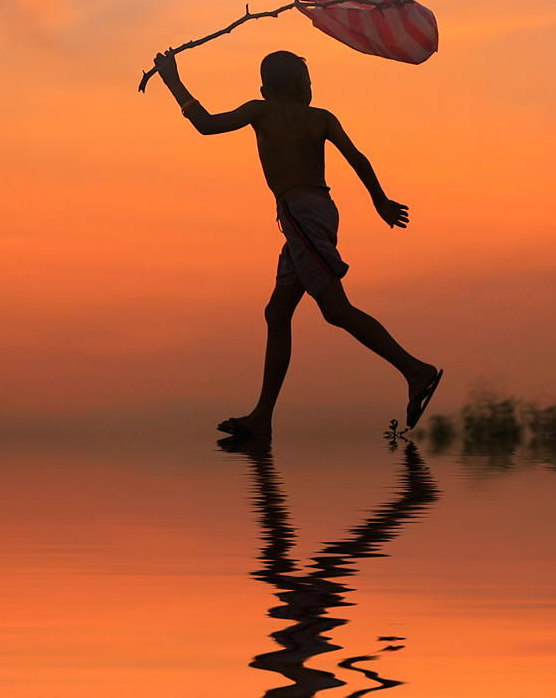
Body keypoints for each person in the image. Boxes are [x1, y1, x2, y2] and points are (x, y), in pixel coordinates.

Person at [151, 47, 442, 440]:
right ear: (302, 87)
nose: (311, 87)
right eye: (309, 81)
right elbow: (358, 158)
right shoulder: (319, 117)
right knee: (277, 313)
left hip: (302, 216)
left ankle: (416, 371)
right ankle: (262, 418)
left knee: (336, 310)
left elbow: (205, 124)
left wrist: (172, 80)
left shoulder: (261, 110)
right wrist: (379, 200)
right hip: (311, 215)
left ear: (264, 89)